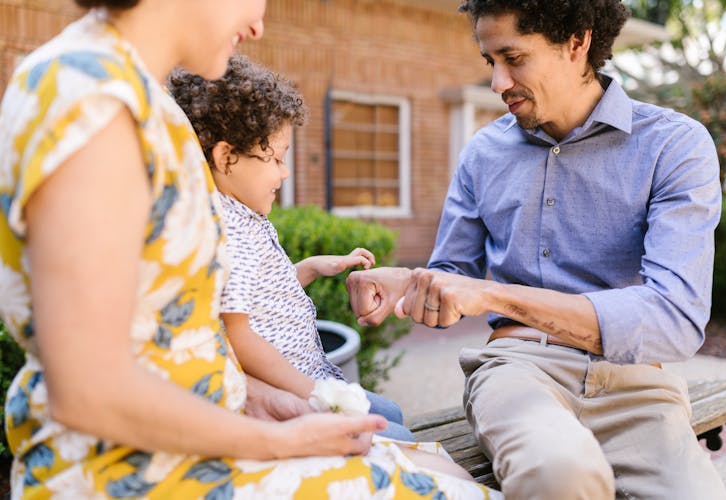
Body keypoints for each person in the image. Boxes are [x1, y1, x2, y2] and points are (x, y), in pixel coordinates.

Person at [0, 0, 499, 497]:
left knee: (446, 472)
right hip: (131, 471)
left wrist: (256, 399)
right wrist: (274, 440)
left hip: (194, 443)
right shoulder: (90, 101)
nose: (259, 24)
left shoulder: (140, 103)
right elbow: (86, 391)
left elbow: (169, 337)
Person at [346, 0, 726, 498]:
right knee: (561, 473)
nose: (497, 84)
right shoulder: (483, 153)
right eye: (491, 62)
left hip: (638, 385)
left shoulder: (673, 146)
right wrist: (412, 284)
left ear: (577, 42)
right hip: (517, 369)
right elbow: (452, 273)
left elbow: (674, 319)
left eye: (514, 58)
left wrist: (496, 296)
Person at [167, 56, 414, 441]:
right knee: (400, 436)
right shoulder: (231, 230)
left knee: (393, 412)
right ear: (225, 156)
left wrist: (312, 267)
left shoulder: (240, 214)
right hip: (291, 392)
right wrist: (313, 394)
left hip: (310, 376)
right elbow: (239, 337)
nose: (284, 172)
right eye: (276, 159)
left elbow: (257, 296)